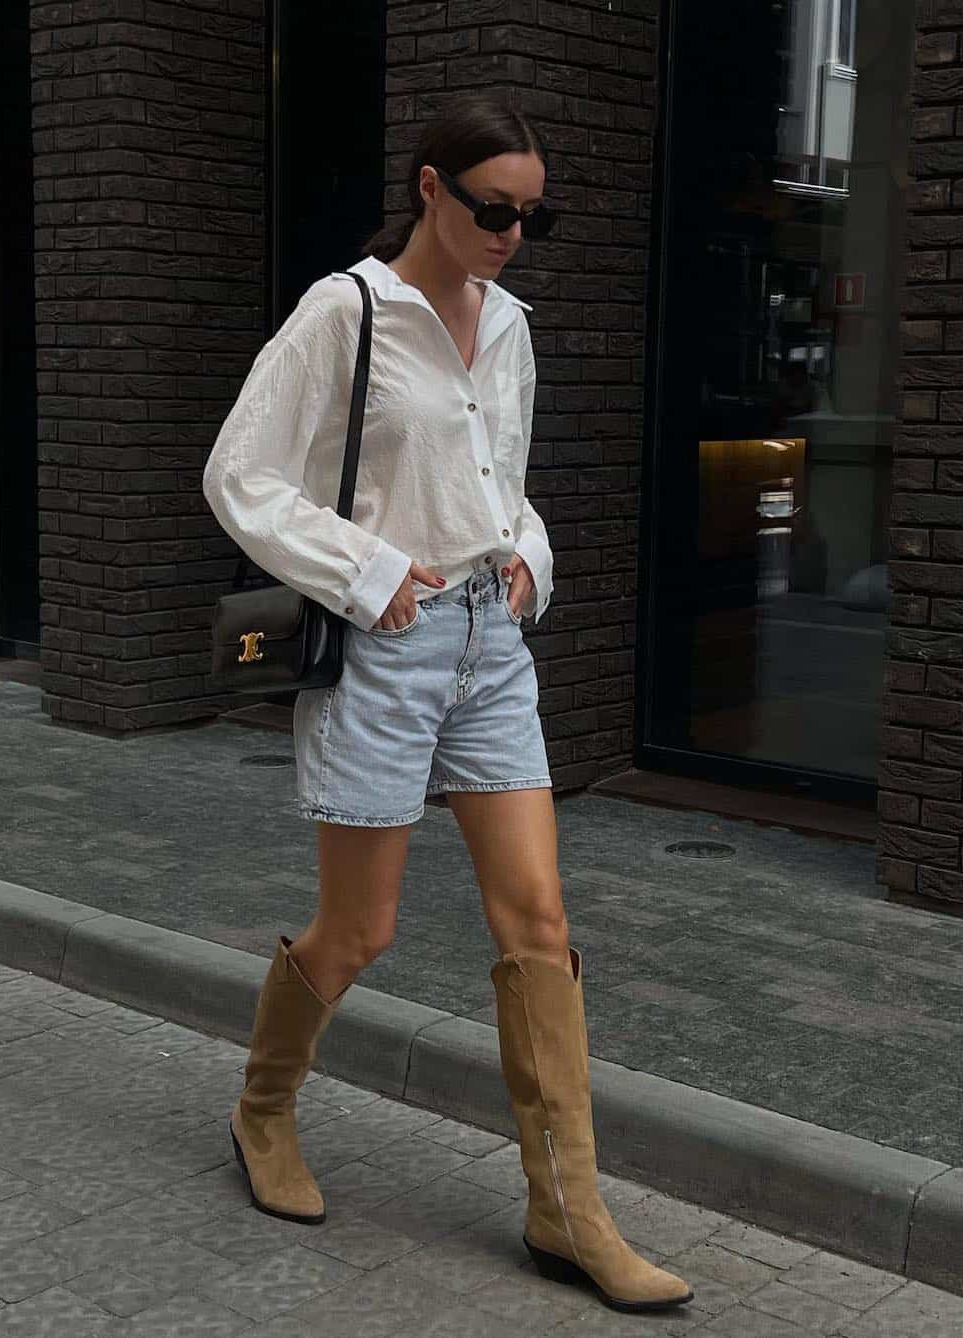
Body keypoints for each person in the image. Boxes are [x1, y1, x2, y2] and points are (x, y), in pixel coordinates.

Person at [202, 92, 693, 1316]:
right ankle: (263, 1111)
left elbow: (500, 479)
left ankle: (566, 1211)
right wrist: (369, 577)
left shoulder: (510, 324)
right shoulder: (345, 309)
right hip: (388, 646)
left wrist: (529, 551)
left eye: (532, 216)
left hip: (489, 643)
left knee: (537, 921)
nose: (511, 234)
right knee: (358, 932)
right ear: (429, 187)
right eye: (492, 209)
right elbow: (241, 474)